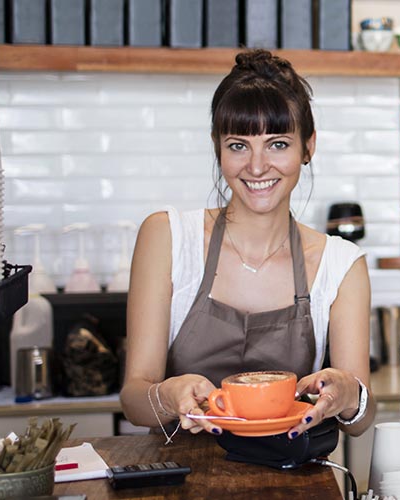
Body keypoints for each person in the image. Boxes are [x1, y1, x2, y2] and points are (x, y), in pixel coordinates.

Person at [120, 49, 375, 442]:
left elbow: (359, 423)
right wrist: (166, 396)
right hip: (180, 476)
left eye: (277, 144)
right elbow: (135, 401)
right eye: (239, 145)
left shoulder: (339, 265)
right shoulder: (167, 238)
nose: (257, 167)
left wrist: (347, 394)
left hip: (294, 480)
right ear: (218, 147)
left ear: (308, 147)